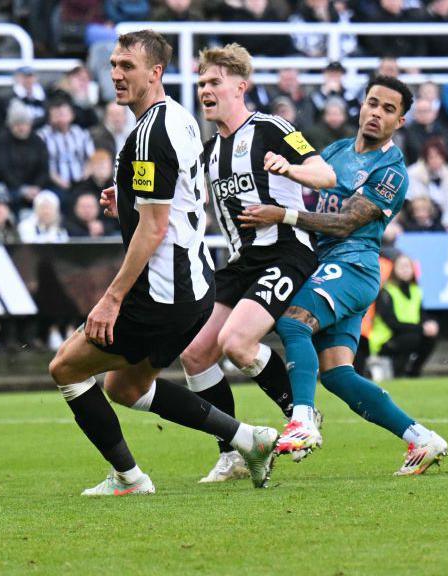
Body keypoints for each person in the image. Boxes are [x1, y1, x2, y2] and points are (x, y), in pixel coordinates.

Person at [48, 30, 280, 497]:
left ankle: (129, 479)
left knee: (66, 368)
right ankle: (247, 439)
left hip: (161, 292)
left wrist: (111, 299)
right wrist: (129, 197)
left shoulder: (151, 132)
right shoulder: (176, 117)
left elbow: (154, 230)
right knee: (125, 388)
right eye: (113, 64)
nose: (115, 74)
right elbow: (175, 196)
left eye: (127, 67)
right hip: (193, 289)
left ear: (155, 73)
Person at [239, 75, 448, 476]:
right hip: (324, 265)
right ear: (362, 106)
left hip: (354, 264)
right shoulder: (334, 151)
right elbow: (299, 182)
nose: (377, 113)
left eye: (389, 110)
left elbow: (344, 223)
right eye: (373, 103)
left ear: (401, 122)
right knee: (336, 373)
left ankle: (302, 421)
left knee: (293, 321)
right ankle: (421, 438)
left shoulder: (392, 172)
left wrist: (284, 215)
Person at [183, 43, 337, 483]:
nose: (205, 90)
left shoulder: (271, 128)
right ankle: (233, 448)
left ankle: (301, 416)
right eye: (201, 84)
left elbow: (325, 175)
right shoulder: (211, 150)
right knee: (195, 355)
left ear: (240, 87)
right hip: (242, 260)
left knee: (236, 343)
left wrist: (290, 170)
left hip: (287, 251)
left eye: (214, 82)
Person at [370, 254, 439, 378]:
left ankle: (414, 372)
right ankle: (398, 372)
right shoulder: (387, 291)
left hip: (409, 333)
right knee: (412, 338)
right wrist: (420, 328)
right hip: (386, 339)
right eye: (401, 267)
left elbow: (422, 315)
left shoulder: (415, 290)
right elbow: (391, 322)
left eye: (408, 266)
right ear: (394, 269)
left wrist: (429, 324)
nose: (405, 270)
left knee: (429, 337)